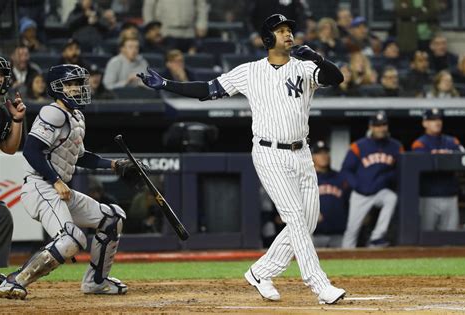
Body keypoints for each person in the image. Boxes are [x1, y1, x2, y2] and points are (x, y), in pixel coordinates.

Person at [137, 13, 346, 304]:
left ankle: (261, 271)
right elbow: (208, 90)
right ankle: (319, 284)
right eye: (281, 30)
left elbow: (336, 78)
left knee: (307, 221)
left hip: (302, 152)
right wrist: (167, 85)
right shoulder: (249, 71)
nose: (288, 34)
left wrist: (318, 58)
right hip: (269, 152)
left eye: (289, 30)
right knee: (296, 218)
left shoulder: (305, 67)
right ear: (267, 38)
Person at [0, 64, 135, 299]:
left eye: (78, 83)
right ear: (57, 88)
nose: (77, 88)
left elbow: (81, 156)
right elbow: (32, 151)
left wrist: (113, 164)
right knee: (72, 238)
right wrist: (56, 181)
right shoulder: (52, 112)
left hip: (58, 189)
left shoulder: (76, 116)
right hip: (40, 186)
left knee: (113, 218)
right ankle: (14, 281)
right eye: (70, 84)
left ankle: (96, 281)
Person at [341, 111, 404, 248]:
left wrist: (386, 178)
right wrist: (357, 186)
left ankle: (377, 236)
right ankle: (344, 255)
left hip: (380, 192)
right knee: (352, 230)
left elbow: (401, 170)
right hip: (360, 194)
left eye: (383, 124)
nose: (381, 128)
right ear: (371, 127)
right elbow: (346, 170)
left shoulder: (396, 146)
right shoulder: (358, 146)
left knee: (391, 198)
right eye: (377, 125)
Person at [411, 108, 465, 231]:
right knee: (426, 237)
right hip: (428, 196)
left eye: (439, 119)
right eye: (432, 120)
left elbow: (464, 159)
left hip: (450, 195)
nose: (437, 122)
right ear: (425, 123)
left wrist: (439, 158)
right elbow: (424, 166)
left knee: (450, 238)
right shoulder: (419, 144)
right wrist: (447, 158)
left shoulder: (452, 141)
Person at [0, 56, 27, 268]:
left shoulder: (1, 112)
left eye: (1, 75)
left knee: (2, 217)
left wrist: (17, 120)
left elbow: (9, 148)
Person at [311, 141, 349, 248]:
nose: (323, 156)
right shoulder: (307, 179)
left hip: (339, 234)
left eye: (326, 153)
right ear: (312, 157)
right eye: (319, 153)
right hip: (315, 234)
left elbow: (350, 201)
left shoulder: (340, 177)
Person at [142, 0, 209, 53]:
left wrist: (201, 24)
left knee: (190, 63)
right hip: (165, 32)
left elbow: (201, 6)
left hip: (189, 32)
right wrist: (150, 28)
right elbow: (149, 5)